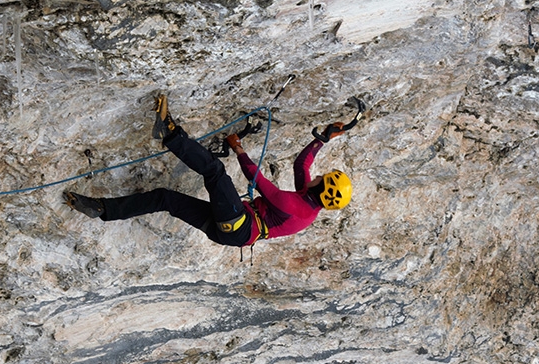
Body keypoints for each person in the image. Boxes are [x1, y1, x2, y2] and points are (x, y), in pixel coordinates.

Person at [63, 95, 353, 249]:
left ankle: (170, 133)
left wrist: (238, 149)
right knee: (165, 198)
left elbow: (258, 181)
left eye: (322, 179)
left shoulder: (296, 208)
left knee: (215, 171)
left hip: (238, 224)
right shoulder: (309, 202)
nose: (317, 176)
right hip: (232, 231)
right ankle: (101, 209)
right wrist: (323, 138)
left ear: (322, 188)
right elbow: (301, 165)